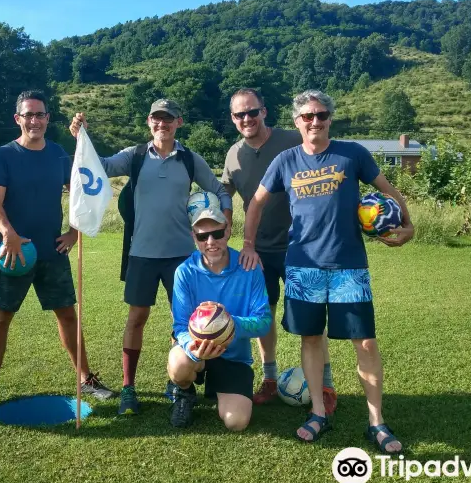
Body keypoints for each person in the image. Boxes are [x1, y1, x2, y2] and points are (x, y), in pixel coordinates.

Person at [240, 90, 414, 452]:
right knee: (311, 338)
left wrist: (408, 226)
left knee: (364, 342)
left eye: (321, 115)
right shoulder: (286, 160)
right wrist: (248, 244)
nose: (314, 121)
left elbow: (389, 190)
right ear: (297, 121)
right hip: (303, 266)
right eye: (307, 116)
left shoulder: (353, 154)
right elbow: (256, 202)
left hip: (349, 266)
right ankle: (318, 413)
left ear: (330, 118)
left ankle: (376, 421)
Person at [70, 99, 233, 416]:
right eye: (157, 119)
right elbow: (99, 166)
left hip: (182, 258)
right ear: (149, 122)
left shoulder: (189, 159)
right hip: (141, 254)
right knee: (136, 319)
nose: (163, 124)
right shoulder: (135, 155)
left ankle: (179, 384)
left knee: (183, 322)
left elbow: (219, 190)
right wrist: (82, 138)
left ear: (178, 123)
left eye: (169, 119)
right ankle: (128, 389)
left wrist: (224, 224)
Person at [0, 90, 116, 421]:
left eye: (40, 115)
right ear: (17, 119)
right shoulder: (5, 155)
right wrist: (8, 234)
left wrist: (75, 232)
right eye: (28, 115)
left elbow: (82, 193)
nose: (34, 121)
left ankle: (86, 379)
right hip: (13, 251)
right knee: (1, 316)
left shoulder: (60, 155)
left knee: (67, 314)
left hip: (53, 251)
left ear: (48, 119)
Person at [221, 88, 337, 414]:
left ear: (265, 111)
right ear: (232, 118)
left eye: (252, 112)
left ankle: (325, 385)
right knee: (264, 315)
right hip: (258, 251)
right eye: (239, 114)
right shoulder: (233, 155)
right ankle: (270, 379)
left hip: (302, 248)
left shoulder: (291, 139)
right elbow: (224, 195)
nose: (247, 119)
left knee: (311, 320)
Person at [167, 195, 271, 430]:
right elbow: (180, 325)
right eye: (203, 236)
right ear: (194, 238)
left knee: (237, 422)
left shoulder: (249, 267)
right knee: (178, 364)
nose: (211, 241)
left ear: (228, 230)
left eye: (217, 233)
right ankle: (184, 392)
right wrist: (192, 348)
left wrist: (228, 324)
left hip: (234, 357)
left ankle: (220, 391)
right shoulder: (185, 272)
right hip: (197, 353)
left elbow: (264, 322)